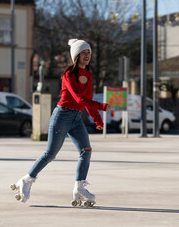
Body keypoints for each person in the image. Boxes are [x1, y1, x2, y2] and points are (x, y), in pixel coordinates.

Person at [11, 39, 111, 206]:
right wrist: (101, 107)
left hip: (77, 118)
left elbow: (87, 100)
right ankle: (27, 180)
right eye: (84, 53)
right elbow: (79, 98)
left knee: (86, 151)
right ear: (77, 55)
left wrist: (97, 118)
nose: (87, 56)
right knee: (50, 154)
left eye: (89, 53)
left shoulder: (89, 74)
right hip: (62, 116)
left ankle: (79, 186)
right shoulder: (69, 75)